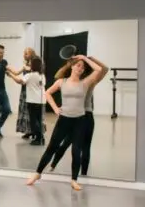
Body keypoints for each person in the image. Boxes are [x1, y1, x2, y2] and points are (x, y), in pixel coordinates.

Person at [25, 56, 106, 191]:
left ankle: (74, 180)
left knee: (76, 150)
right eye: (78, 65)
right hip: (64, 120)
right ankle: (37, 174)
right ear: (72, 66)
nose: (81, 68)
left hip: (80, 121)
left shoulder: (85, 83)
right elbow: (47, 93)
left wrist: (84, 58)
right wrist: (56, 108)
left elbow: (99, 69)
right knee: (52, 148)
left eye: (83, 67)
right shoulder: (61, 82)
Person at [8, 56, 46, 146]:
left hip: (32, 101)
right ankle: (41, 137)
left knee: (33, 121)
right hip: (42, 101)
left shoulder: (29, 75)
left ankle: (39, 138)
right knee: (39, 120)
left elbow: (20, 81)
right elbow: (42, 84)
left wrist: (11, 75)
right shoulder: (42, 75)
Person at [13, 48, 37, 139]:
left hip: (31, 90)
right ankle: (28, 131)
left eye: (26, 53)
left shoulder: (35, 64)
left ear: (31, 54)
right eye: (24, 53)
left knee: (31, 112)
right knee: (25, 111)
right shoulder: (26, 65)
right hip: (24, 91)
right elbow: (16, 72)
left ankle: (34, 131)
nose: (24, 55)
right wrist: (8, 69)